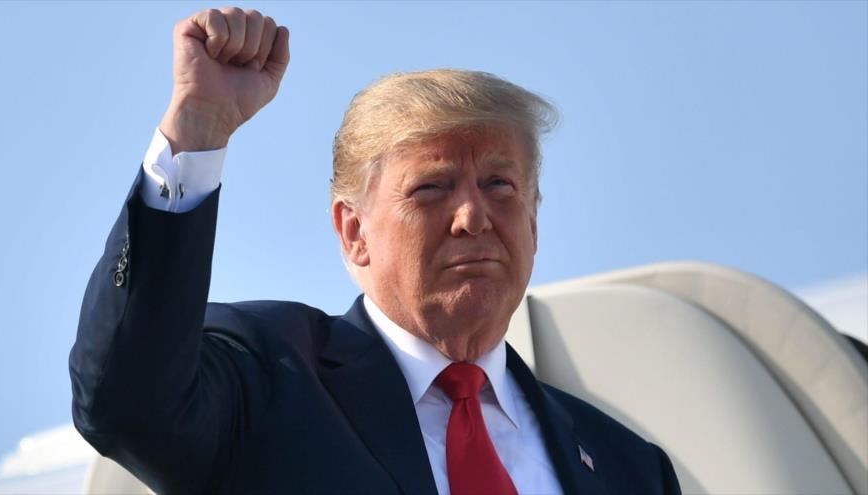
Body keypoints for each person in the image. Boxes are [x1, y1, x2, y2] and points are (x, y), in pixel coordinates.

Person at [69, 6, 681, 495]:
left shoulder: (632, 469)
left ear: (534, 222)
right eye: (432, 188)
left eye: (500, 185)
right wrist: (196, 130)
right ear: (354, 232)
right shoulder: (268, 382)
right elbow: (129, 403)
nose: (473, 217)